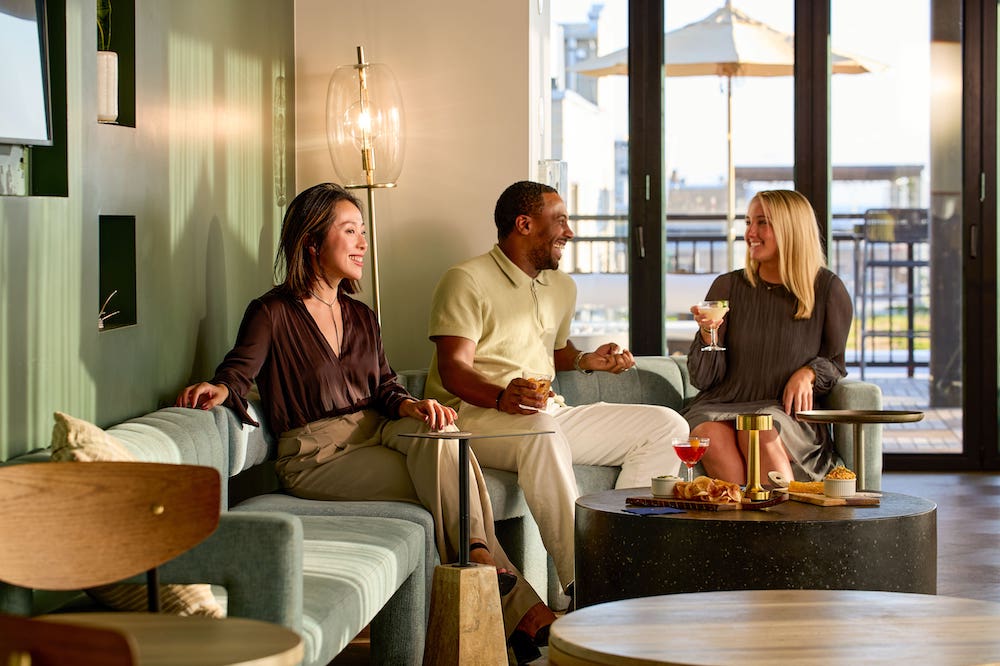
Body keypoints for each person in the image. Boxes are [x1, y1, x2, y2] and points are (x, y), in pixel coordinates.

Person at [175, 183, 553, 657]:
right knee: (449, 482)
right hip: (317, 455)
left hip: (376, 430)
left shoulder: (361, 315)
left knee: (442, 433)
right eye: (349, 231)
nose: (362, 243)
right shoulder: (272, 312)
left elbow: (385, 387)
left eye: (363, 232)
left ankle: (478, 554)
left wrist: (414, 407)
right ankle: (517, 605)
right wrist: (221, 388)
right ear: (312, 241)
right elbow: (239, 368)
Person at [424, 180, 689, 600]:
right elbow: (453, 369)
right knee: (542, 430)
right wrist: (501, 397)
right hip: (473, 416)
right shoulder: (465, 279)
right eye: (560, 220)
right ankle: (590, 583)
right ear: (524, 224)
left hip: (545, 413)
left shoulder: (562, 287)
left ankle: (624, 560)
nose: (570, 231)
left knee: (668, 425)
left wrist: (586, 359)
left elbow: (554, 349)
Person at [684, 189, 853, 485]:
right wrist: (708, 334)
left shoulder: (828, 290)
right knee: (707, 434)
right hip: (723, 404)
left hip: (784, 412)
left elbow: (835, 363)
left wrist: (809, 373)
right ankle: (743, 514)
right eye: (748, 222)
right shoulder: (727, 286)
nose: (750, 233)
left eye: (762, 223)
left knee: (758, 428)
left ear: (791, 229)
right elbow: (704, 379)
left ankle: (782, 513)